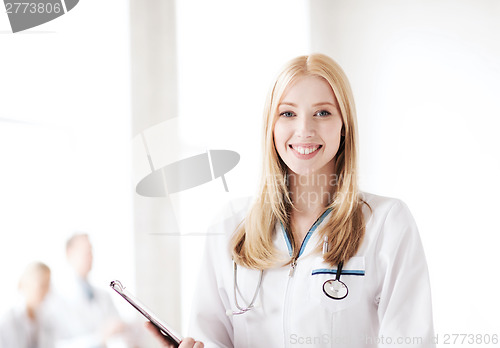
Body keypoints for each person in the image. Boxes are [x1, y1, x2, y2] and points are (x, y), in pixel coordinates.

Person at [147, 53, 435, 347]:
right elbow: (210, 337)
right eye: (287, 113)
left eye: (322, 113)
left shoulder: (387, 222)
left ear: (344, 125)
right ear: (271, 127)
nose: (304, 130)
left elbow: (410, 340)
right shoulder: (231, 224)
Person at [46, 233, 131, 348]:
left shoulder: (103, 295)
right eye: (84, 251)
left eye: (90, 251)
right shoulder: (56, 297)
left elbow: (120, 330)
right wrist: (99, 338)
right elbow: (57, 344)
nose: (90, 256)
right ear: (69, 254)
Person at [0, 261, 54, 348]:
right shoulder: (7, 320)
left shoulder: (46, 319)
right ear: (26, 284)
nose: (46, 291)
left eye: (48, 285)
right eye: (42, 285)